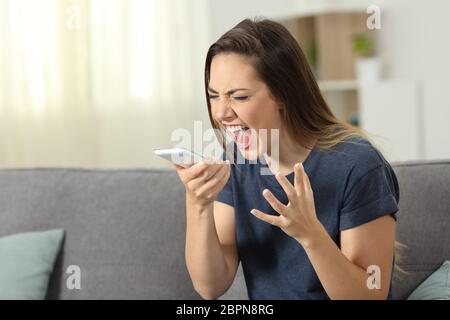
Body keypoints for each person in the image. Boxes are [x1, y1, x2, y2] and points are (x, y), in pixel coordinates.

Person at [174, 18, 399, 300]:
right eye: (213, 96)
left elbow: (370, 294)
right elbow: (209, 287)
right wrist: (198, 204)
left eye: (239, 97)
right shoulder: (235, 163)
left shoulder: (357, 165)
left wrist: (310, 235)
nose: (221, 113)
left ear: (284, 94)